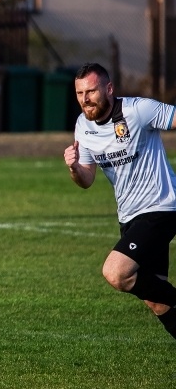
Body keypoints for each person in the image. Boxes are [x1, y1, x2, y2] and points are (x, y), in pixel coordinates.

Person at [64, 62, 176, 342]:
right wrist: (74, 168)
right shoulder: (82, 126)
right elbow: (87, 179)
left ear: (109, 89)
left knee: (116, 273)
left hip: (161, 206)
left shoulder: (138, 110)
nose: (85, 99)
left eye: (91, 91)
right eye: (79, 93)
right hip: (128, 216)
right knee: (157, 300)